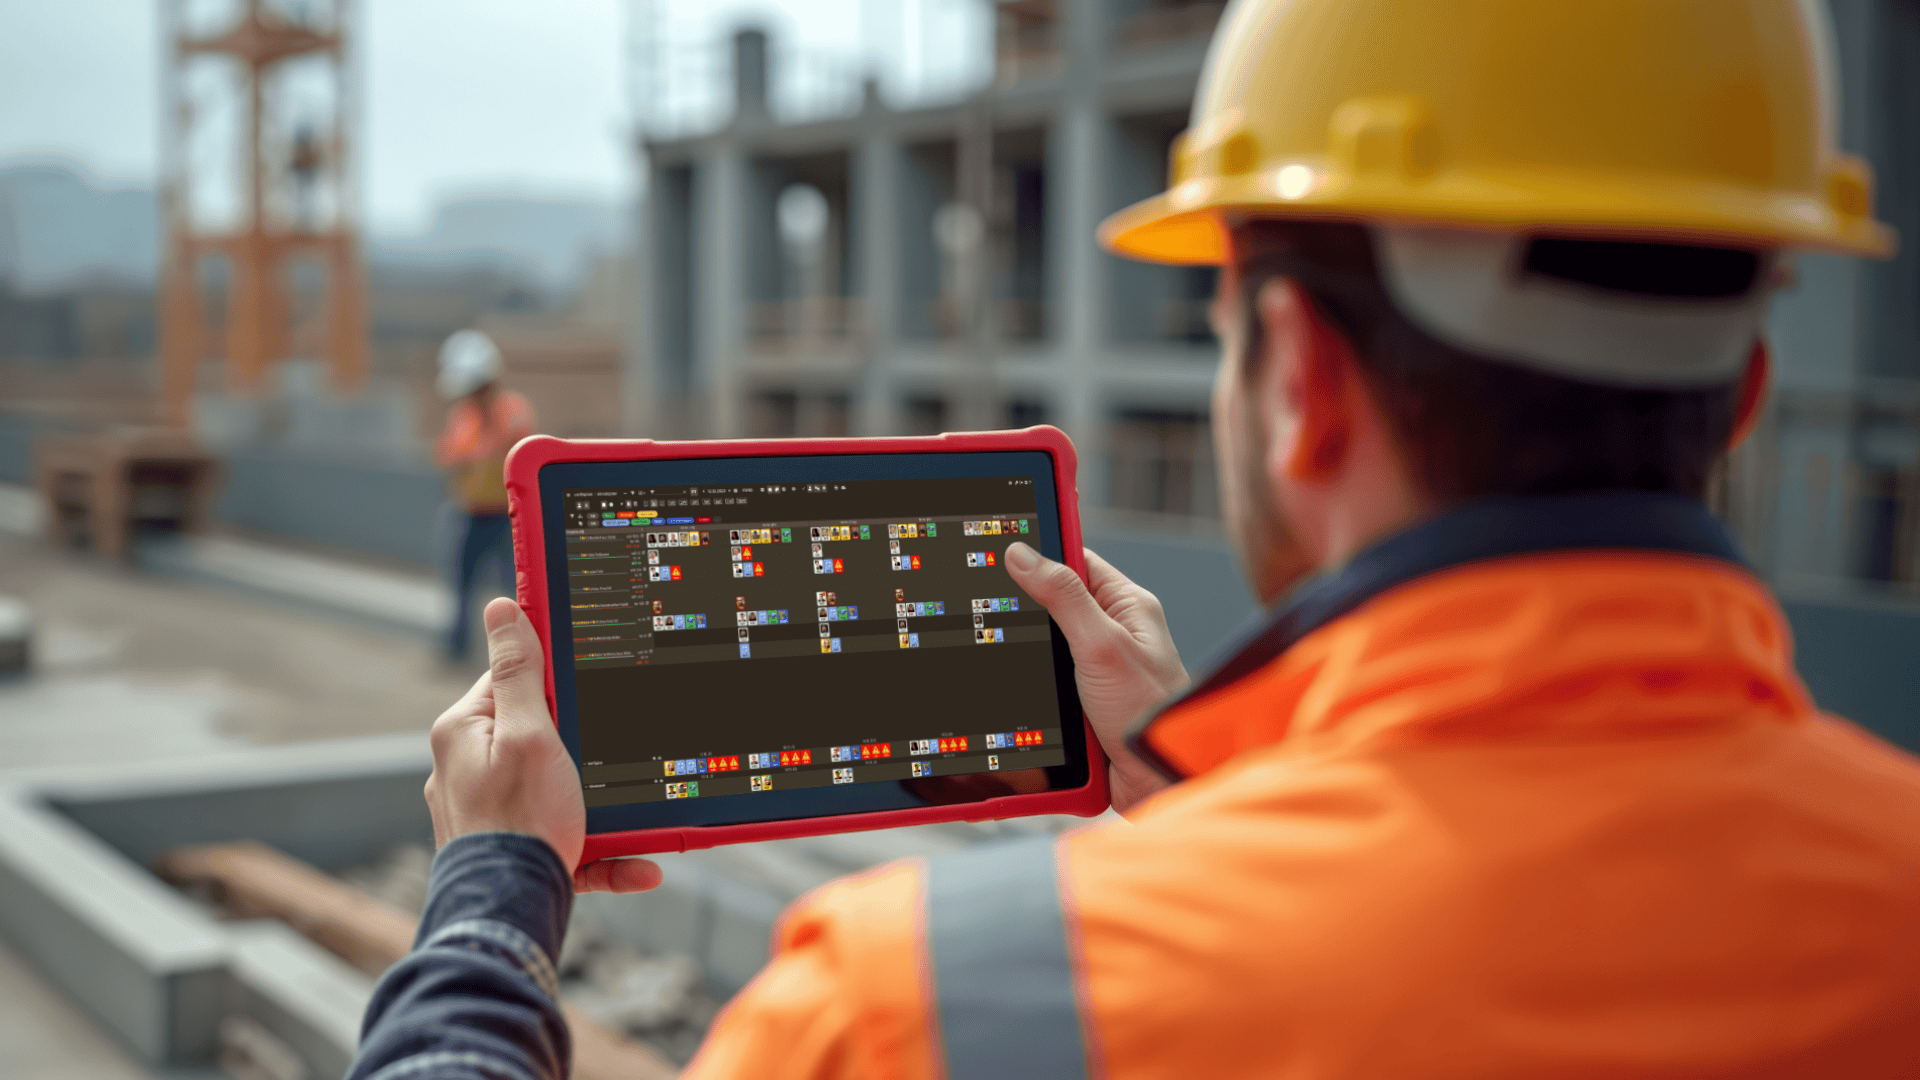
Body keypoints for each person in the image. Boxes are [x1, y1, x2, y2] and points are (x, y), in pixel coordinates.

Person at [350, 2, 1920, 1077]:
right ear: (1743, 399)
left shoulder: (920, 1006)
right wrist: (1200, 775)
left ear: (1296, 376)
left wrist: (492, 893)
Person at [433, 329, 536, 661]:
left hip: (508, 517)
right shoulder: (463, 417)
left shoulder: (514, 411)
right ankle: (456, 648)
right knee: (461, 585)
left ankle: (522, 651)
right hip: (469, 514)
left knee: (516, 588)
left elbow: (520, 453)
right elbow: (449, 456)